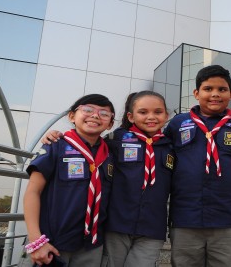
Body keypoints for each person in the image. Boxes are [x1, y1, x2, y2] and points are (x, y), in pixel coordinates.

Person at [39, 91, 175, 267]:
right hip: (116, 224)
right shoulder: (113, 140)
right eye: (143, 112)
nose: (151, 117)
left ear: (167, 115)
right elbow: (86, 144)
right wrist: (57, 135)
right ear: (131, 117)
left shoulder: (171, 146)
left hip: (152, 227)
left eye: (158, 112)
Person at [164, 65, 231, 267]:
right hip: (186, 217)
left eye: (222, 90)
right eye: (208, 89)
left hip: (229, 218)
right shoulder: (178, 124)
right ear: (196, 93)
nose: (215, 94)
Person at [21, 94, 115, 266]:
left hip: (91, 245)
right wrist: (36, 241)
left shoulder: (109, 155)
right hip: (51, 242)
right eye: (87, 110)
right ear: (72, 116)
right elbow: (33, 191)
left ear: (110, 124)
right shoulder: (55, 145)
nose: (95, 115)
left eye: (104, 113)